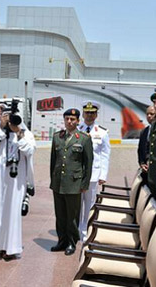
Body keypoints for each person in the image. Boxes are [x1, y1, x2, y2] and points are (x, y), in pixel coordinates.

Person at [0, 101, 36, 261]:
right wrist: (1, 127)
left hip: (16, 182)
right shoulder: (0, 133)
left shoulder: (26, 133)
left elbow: (29, 150)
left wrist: (18, 134)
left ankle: (9, 248)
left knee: (11, 213)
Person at [50, 108, 93, 256]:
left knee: (72, 216)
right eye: (67, 119)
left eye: (72, 119)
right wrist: (53, 180)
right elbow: (53, 161)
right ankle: (61, 240)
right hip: (58, 182)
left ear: (77, 121)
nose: (69, 121)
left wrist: (84, 184)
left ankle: (71, 242)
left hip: (74, 183)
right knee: (60, 214)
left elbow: (88, 164)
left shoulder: (84, 138)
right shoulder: (57, 137)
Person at [77, 101, 111, 242]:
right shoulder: (77, 130)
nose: (89, 115)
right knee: (77, 205)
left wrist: (103, 175)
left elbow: (105, 155)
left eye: (92, 113)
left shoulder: (102, 133)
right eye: (87, 112)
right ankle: (77, 229)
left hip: (93, 175)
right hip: (77, 174)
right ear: (83, 114)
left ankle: (86, 229)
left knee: (90, 204)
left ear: (96, 115)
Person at [137, 105, 156, 183]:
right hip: (145, 171)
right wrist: (142, 163)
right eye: (147, 114)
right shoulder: (144, 131)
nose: (149, 116)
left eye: (151, 114)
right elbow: (140, 150)